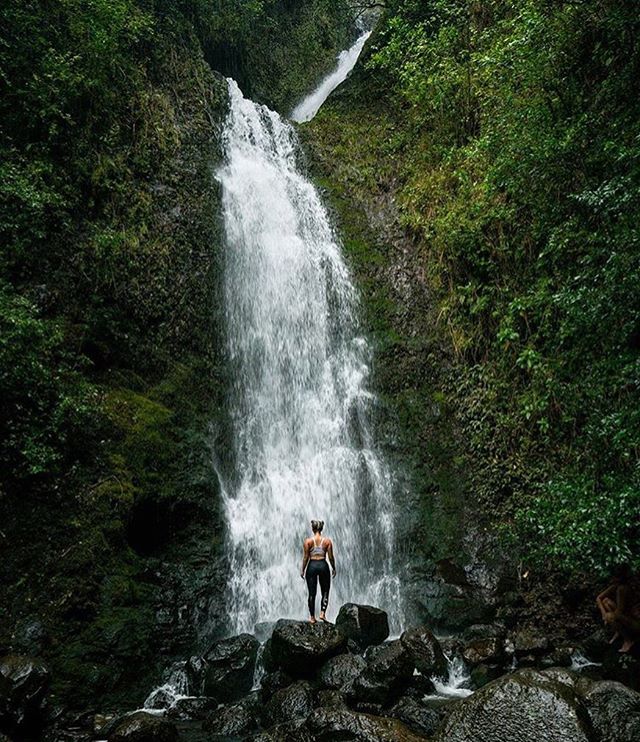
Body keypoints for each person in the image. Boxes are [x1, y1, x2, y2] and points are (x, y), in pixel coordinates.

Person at [596, 564, 640, 653]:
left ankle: (628, 640)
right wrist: (603, 613)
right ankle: (619, 631)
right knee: (606, 601)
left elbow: (619, 613)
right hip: (628, 617)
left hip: (635, 623)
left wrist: (608, 617)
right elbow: (599, 598)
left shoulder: (623, 588)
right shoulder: (615, 586)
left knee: (611, 617)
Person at [300, 519, 336, 624]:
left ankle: (312, 617)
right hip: (323, 565)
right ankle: (322, 613)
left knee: (312, 593)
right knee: (325, 591)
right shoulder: (327, 541)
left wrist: (302, 569)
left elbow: (305, 557)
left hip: (312, 566)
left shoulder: (308, 542)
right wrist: (333, 567)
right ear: (321, 528)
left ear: (313, 528)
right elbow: (331, 557)